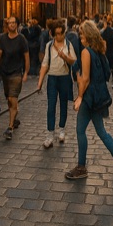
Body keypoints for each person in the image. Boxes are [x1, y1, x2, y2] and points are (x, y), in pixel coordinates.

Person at [66, 21, 113, 180]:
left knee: (81, 131)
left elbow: (86, 78)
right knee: (101, 131)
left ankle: (81, 168)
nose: (80, 37)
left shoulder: (86, 52)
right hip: (99, 96)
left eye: (82, 34)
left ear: (88, 35)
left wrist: (80, 97)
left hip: (89, 97)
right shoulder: (99, 50)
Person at [37, 19, 76, 148]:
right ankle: (49, 134)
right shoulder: (49, 46)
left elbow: (73, 61)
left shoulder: (68, 44)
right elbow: (44, 65)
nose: (59, 36)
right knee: (51, 106)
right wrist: (40, 82)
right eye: (57, 34)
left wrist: (65, 57)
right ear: (52, 34)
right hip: (52, 78)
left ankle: (62, 130)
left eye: (61, 33)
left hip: (64, 78)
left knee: (63, 105)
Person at [0, 16, 29, 140]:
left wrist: (26, 72)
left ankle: (10, 128)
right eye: (10, 23)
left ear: (17, 25)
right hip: (5, 72)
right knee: (8, 100)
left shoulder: (21, 39)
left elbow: (26, 57)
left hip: (16, 73)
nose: (12, 25)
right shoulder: (2, 38)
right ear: (7, 25)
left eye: (14, 23)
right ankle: (14, 117)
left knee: (12, 97)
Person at [101, 15, 113, 89]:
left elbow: (103, 43)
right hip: (112, 52)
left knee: (106, 66)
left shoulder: (103, 32)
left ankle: (106, 80)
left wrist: (103, 51)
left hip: (106, 52)